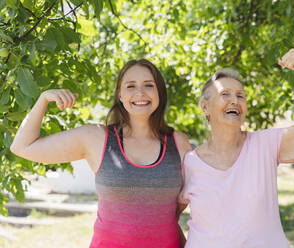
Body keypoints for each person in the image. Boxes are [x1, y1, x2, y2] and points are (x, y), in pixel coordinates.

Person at [10, 59, 191, 248]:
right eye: (131, 86)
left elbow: (186, 200)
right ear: (120, 95)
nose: (140, 92)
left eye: (148, 85)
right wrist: (44, 99)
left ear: (159, 92)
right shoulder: (96, 138)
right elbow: (22, 147)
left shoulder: (177, 142)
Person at [178, 49, 294, 247]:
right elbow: (166, 219)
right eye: (225, 94)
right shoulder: (189, 162)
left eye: (241, 96)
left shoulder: (266, 145)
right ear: (205, 107)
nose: (235, 101)